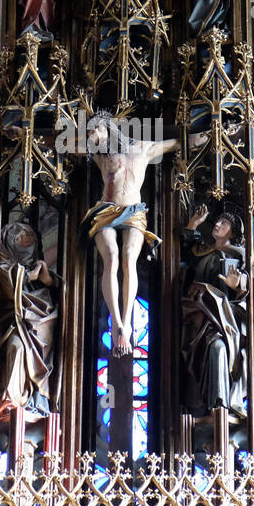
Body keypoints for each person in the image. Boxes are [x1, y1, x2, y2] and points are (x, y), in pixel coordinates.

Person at [77, 112, 201, 356]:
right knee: (111, 257)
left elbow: (179, 142)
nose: (91, 137)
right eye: (89, 133)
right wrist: (24, 135)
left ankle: (128, 321)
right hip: (105, 211)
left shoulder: (142, 149)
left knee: (128, 256)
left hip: (133, 212)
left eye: (95, 131)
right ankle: (117, 324)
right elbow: (61, 144)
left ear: (107, 128)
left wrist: (206, 135)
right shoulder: (101, 156)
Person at [178, 205, 248, 419]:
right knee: (197, 353)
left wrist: (239, 285)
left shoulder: (240, 255)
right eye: (217, 221)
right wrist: (193, 224)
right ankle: (198, 404)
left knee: (218, 349)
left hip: (225, 318)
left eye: (224, 223)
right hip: (198, 314)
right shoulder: (202, 251)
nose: (217, 224)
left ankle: (220, 404)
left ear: (233, 231)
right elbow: (184, 251)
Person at [0, 221, 60, 421]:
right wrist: (29, 276)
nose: (26, 246)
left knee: (48, 349)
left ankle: (39, 400)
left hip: (44, 323)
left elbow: (62, 293)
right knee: (17, 346)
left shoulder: (42, 270)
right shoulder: (5, 270)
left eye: (29, 242)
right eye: (20, 241)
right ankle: (13, 399)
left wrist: (49, 281)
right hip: (18, 323)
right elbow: (10, 286)